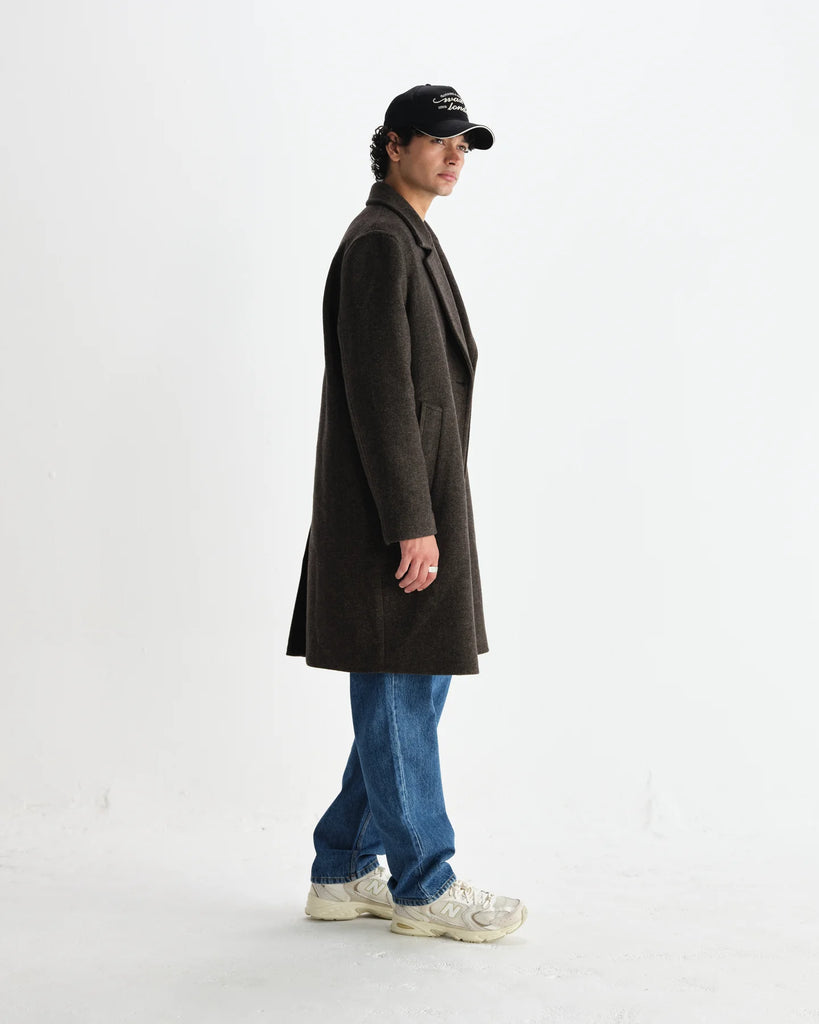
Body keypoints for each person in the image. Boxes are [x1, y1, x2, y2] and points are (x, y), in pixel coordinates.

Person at [286, 84, 526, 942]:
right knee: (398, 688)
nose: (455, 155)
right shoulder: (380, 242)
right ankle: (424, 883)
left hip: (418, 501)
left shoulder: (409, 236)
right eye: (438, 139)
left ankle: (343, 866)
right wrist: (409, 521)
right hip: (392, 516)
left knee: (408, 691)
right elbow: (381, 395)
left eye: (465, 144)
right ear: (392, 145)